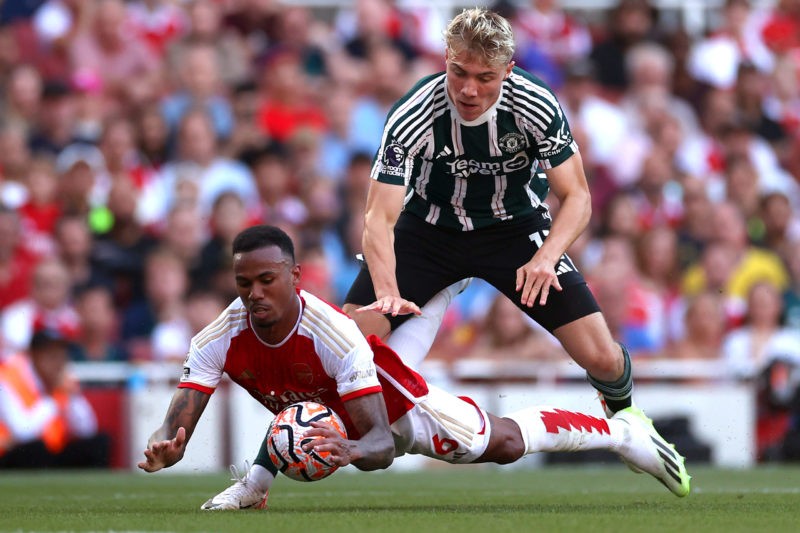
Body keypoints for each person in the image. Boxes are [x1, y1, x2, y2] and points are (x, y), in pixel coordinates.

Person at [137, 225, 690, 510]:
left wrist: (344, 451)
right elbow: (191, 418)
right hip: (340, 408)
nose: (254, 294)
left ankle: (621, 432)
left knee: (496, 445)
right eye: (243, 284)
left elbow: (378, 445)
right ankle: (252, 488)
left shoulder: (334, 336)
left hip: (389, 401)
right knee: (300, 412)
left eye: (267, 281)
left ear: (295, 276)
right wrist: (168, 442)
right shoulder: (217, 337)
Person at [342, 7, 674, 446]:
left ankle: (631, 424)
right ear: (445, 57)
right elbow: (378, 218)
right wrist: (386, 291)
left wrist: (546, 257)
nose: (468, 89)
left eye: (485, 77)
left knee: (602, 357)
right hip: (427, 231)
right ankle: (348, 436)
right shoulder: (413, 114)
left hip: (514, 230)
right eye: (459, 71)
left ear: (508, 71)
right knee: (351, 341)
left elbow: (578, 198)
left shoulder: (534, 104)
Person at [0, 328, 110, 469]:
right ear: (33, 356)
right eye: (51, 355)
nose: (58, 362)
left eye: (61, 355)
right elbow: (22, 431)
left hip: (51, 452)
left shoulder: (62, 381)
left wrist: (73, 397)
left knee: (99, 443)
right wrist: (53, 400)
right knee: (35, 449)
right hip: (13, 454)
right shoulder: (8, 379)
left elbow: (87, 430)